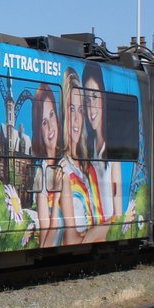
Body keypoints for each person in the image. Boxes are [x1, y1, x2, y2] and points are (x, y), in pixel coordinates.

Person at [58, 68, 106, 245]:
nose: (77, 119)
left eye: (80, 110)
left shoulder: (87, 168)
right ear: (63, 113)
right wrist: (106, 229)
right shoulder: (64, 170)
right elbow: (70, 238)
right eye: (71, 109)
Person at [82, 63, 123, 223]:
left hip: (104, 230)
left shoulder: (112, 153)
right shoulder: (86, 148)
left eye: (95, 97)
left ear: (103, 98)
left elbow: (118, 215)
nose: (91, 107)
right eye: (86, 100)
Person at [30, 83, 64, 247]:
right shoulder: (41, 175)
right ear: (39, 131)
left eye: (51, 115)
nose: (50, 126)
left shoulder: (66, 160)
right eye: (44, 122)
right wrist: (57, 196)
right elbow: (44, 243)